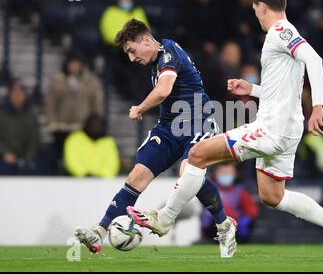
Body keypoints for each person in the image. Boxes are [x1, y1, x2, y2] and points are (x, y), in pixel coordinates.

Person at [128, 0, 323, 260]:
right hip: (288, 129)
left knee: (197, 154)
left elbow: (315, 60)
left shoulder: (280, 31)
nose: (256, 17)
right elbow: (283, 90)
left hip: (272, 128)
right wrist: (251, 90)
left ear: (262, 7)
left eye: (255, 11)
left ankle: (165, 217)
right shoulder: (284, 37)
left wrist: (318, 106)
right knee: (272, 196)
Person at [74, 19, 236, 258]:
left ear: (147, 41)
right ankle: (98, 232)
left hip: (198, 122)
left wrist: (139, 108)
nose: (131, 58)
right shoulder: (156, 62)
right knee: (136, 175)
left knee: (187, 171)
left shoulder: (169, 52)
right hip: (169, 128)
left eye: (131, 50)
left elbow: (163, 91)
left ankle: (224, 225)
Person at [45, 53, 104, 166]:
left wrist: (94, 123)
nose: (74, 67)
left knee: (79, 157)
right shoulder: (57, 81)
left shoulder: (91, 81)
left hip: (82, 127)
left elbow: (96, 104)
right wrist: (53, 123)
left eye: (77, 64)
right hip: (61, 127)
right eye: (72, 64)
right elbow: (50, 105)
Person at [200, 163, 259, 243]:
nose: (226, 175)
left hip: (235, 227)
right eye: (223, 172)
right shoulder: (210, 188)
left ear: (235, 174)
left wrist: (246, 219)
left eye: (229, 172)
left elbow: (251, 209)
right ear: (216, 173)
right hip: (213, 228)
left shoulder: (240, 191)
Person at [0, 80, 40, 175]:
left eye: (20, 92)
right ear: (9, 94)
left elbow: (34, 139)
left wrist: (27, 157)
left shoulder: (31, 114)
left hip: (25, 161)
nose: (17, 95)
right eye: (14, 92)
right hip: (3, 159)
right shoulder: (1, 113)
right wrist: (5, 153)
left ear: (25, 95)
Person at [64, 114, 120, 179]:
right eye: (92, 124)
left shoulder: (108, 142)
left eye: (98, 125)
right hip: (78, 180)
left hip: (103, 182)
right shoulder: (74, 139)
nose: (95, 127)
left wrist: (102, 176)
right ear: (86, 125)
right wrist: (84, 174)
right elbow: (72, 160)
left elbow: (112, 163)